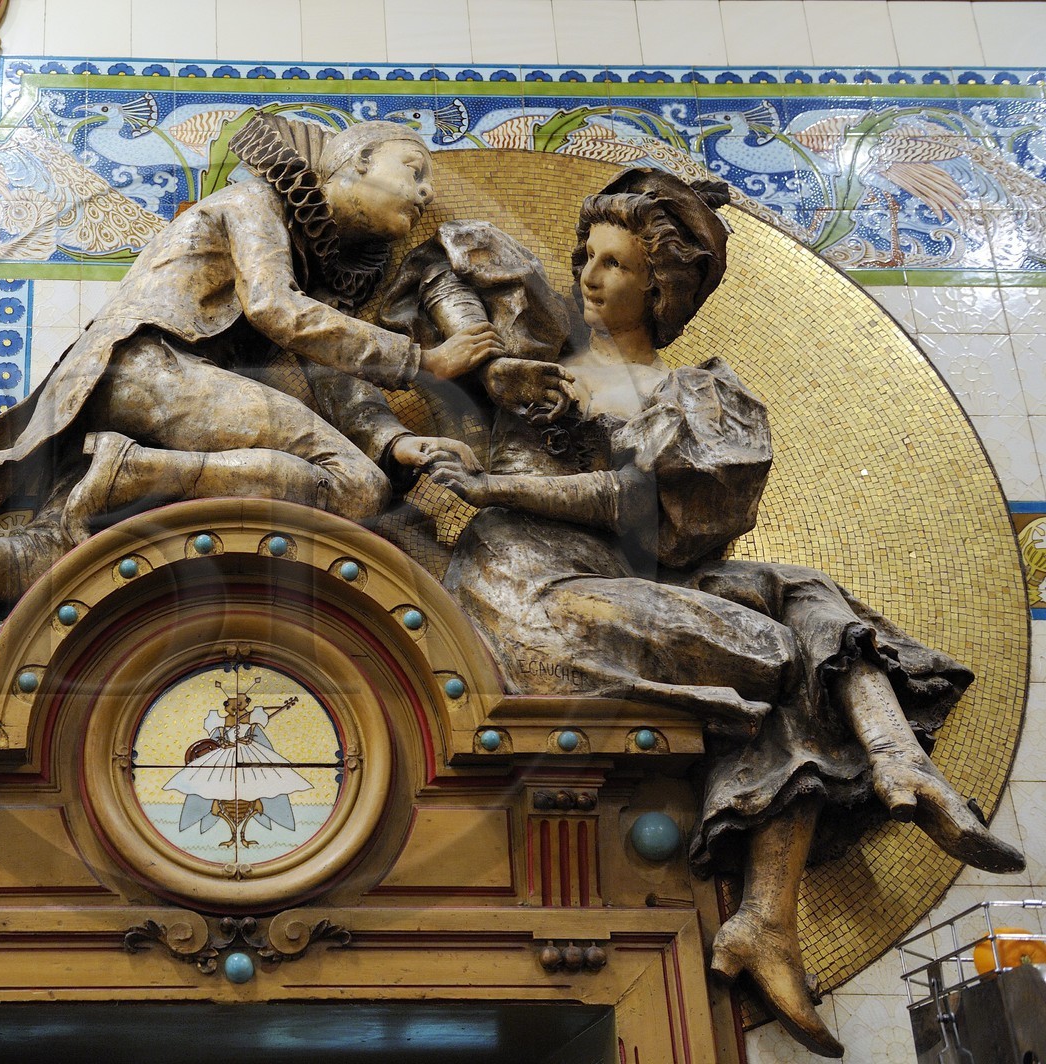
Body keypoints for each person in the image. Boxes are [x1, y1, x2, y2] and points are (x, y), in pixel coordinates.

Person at [418, 169, 1023, 1057]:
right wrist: (466, 347)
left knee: (801, 591)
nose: (588, 274)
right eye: (587, 253)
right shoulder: (533, 358)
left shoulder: (697, 397)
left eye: (615, 264)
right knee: (777, 653)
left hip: (630, 582)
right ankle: (840, 833)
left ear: (660, 289)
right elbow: (436, 259)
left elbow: (644, 516)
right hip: (526, 594)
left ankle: (882, 785)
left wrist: (489, 481)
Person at [0, 115, 488, 685]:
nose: (425, 193)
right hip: (149, 373)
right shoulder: (252, 202)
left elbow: (323, 374)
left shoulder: (304, 266)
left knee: (38, 559)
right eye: (413, 170)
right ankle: (130, 469)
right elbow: (274, 309)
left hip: (160, 402)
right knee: (357, 488)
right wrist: (423, 360)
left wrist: (397, 441)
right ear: (355, 162)